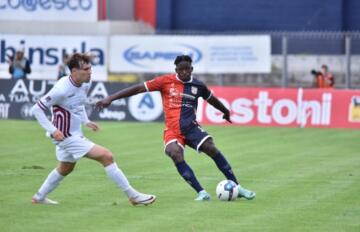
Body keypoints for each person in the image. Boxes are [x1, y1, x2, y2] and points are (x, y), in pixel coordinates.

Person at [96, 55, 256, 201]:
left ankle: (238, 186)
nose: (185, 72)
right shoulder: (164, 81)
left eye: (188, 69)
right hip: (172, 130)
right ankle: (201, 192)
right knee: (175, 153)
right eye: (181, 69)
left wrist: (225, 111)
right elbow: (138, 88)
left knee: (211, 148)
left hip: (192, 128)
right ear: (176, 70)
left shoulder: (198, 86)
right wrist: (111, 98)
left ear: (192, 69)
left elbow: (212, 99)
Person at [31, 53, 156, 206]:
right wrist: (52, 130)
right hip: (66, 137)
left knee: (65, 168)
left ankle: (39, 197)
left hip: (74, 133)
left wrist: (86, 121)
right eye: (86, 69)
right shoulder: (61, 89)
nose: (90, 72)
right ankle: (133, 195)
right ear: (74, 71)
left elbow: (78, 103)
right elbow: (36, 109)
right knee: (106, 156)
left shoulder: (85, 83)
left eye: (90, 68)